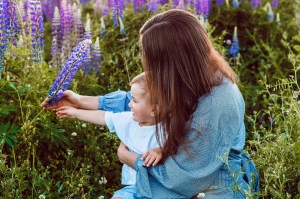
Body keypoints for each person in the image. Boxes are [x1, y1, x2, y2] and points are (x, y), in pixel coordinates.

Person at [42, 9, 259, 199]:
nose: (145, 63)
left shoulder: (218, 102)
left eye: (150, 59)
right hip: (179, 174)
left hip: (213, 183)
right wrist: (80, 101)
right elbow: (145, 102)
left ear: (173, 61)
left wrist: (130, 159)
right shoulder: (192, 77)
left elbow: (186, 179)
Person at [54, 73, 164, 199]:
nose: (129, 105)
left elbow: (179, 147)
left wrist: (161, 150)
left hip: (159, 189)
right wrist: (74, 112)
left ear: (154, 110)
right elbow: (103, 117)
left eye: (134, 100)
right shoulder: (128, 120)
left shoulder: (169, 128)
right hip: (133, 188)